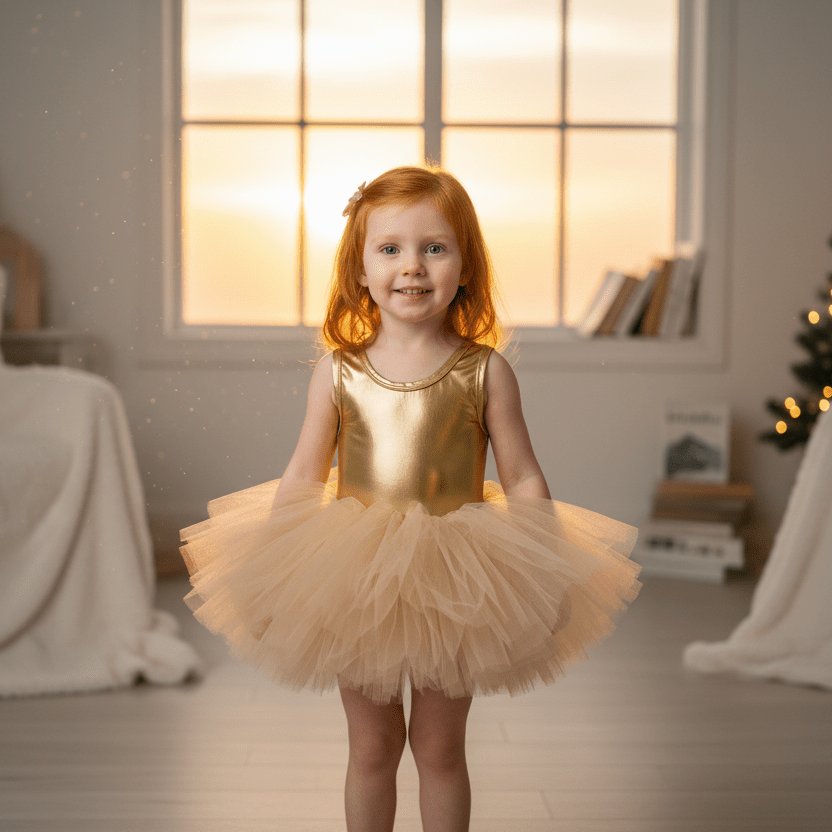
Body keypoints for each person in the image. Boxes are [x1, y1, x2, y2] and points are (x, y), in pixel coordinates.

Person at [180, 165, 641, 832]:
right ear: (360, 271)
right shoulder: (339, 371)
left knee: (439, 745)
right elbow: (304, 475)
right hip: (354, 574)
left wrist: (547, 574)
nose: (413, 267)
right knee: (371, 745)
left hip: (458, 575)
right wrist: (270, 579)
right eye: (390, 249)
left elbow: (523, 477)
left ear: (465, 266)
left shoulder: (486, 371)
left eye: (435, 247)